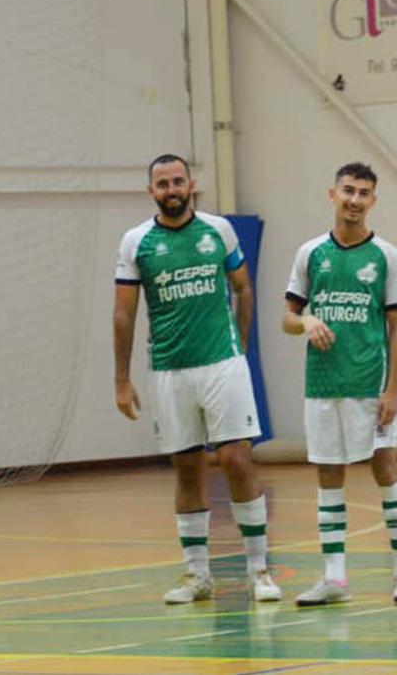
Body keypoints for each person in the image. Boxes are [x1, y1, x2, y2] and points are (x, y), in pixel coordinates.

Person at [114, 153, 280, 604]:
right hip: (169, 370)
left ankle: (259, 570)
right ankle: (196, 575)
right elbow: (124, 314)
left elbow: (244, 287)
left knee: (237, 461)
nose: (171, 190)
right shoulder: (136, 242)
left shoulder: (218, 231)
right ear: (151, 191)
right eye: (162, 184)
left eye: (178, 181)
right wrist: (121, 380)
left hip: (222, 364)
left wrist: (240, 350)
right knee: (187, 472)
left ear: (191, 185)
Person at [283, 162, 397, 606]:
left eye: (364, 193)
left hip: (368, 382)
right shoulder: (310, 254)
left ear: (373, 202)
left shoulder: (387, 256)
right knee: (328, 474)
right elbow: (288, 317)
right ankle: (335, 579)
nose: (355, 200)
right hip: (321, 385)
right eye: (348, 191)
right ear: (332, 194)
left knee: (385, 467)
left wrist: (392, 389)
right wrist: (306, 321)